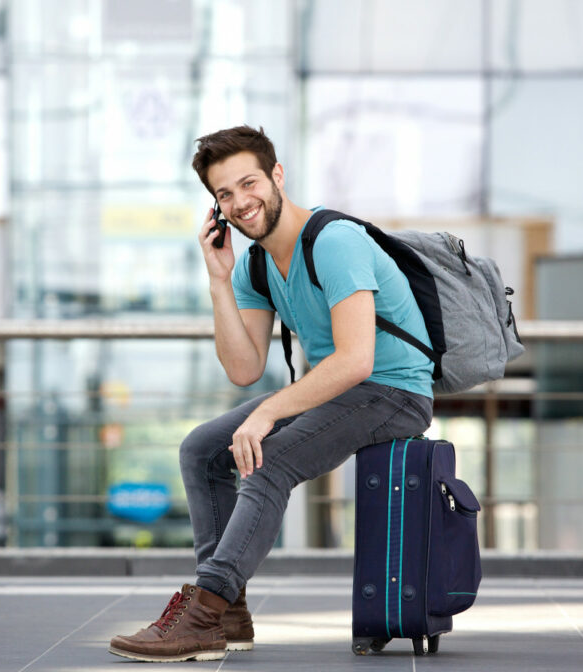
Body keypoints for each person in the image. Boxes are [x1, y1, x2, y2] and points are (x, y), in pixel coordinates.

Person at [108, 125, 435, 662]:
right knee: (201, 448)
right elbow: (243, 367)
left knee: (269, 456)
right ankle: (229, 612)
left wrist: (268, 414)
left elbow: (357, 359)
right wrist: (219, 279)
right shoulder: (257, 264)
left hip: (395, 391)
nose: (240, 202)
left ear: (277, 175)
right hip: (343, 390)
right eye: (224, 194)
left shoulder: (335, 242)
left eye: (249, 183)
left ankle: (203, 614)